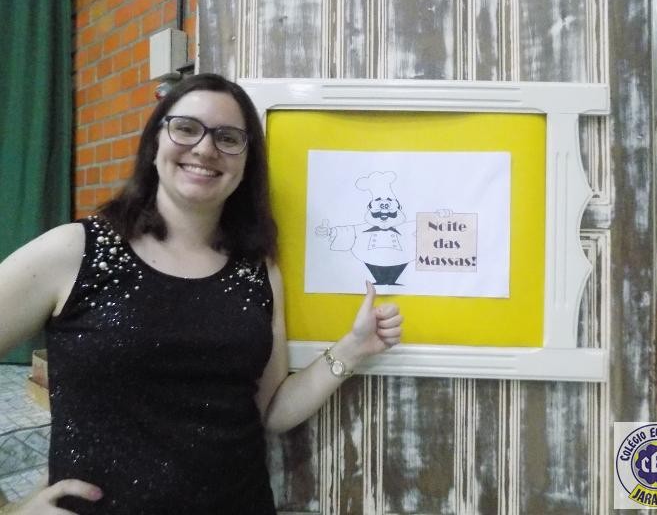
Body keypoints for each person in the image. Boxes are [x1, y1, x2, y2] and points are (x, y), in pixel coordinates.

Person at [0, 73, 402, 514]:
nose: (205, 149)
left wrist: (351, 348)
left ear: (247, 162)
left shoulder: (257, 268)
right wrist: (10, 509)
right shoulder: (75, 250)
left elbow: (270, 410)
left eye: (228, 138)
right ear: (155, 142)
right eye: (187, 128)